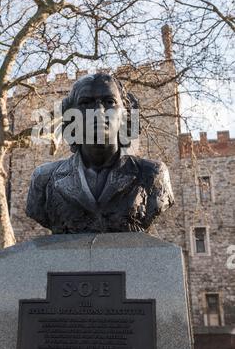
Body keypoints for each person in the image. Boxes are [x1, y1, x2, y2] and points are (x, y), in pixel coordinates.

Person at [26, 73, 174, 233]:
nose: (98, 111)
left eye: (109, 102)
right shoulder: (44, 179)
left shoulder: (152, 175)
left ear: (125, 114)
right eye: (85, 103)